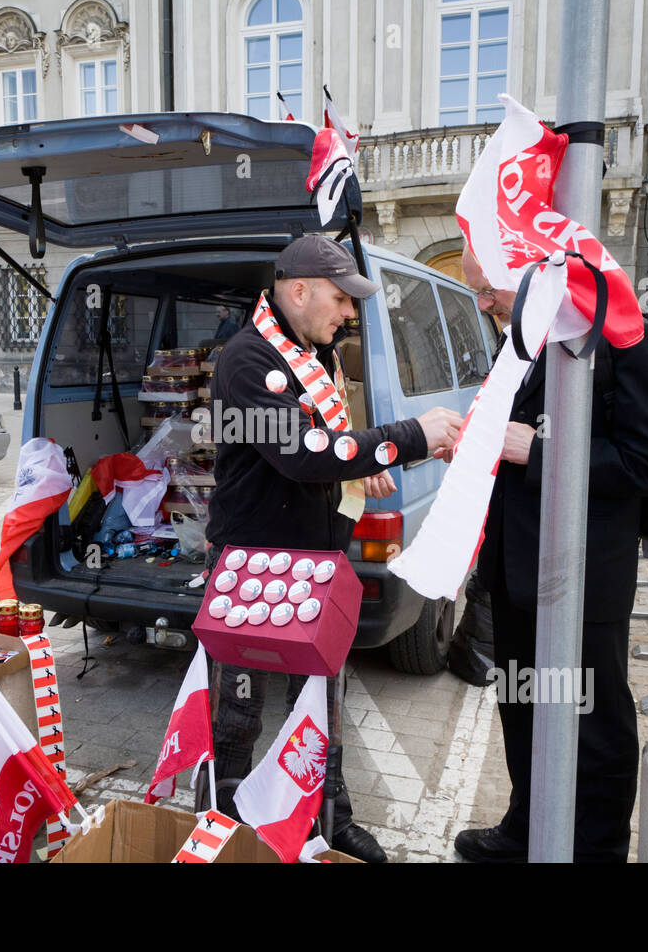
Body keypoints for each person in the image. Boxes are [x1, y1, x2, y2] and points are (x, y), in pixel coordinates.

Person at [204, 234, 463, 863]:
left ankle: (329, 816)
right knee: (239, 709)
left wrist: (354, 463)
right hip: (254, 568)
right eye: (341, 298)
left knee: (321, 698)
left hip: (315, 566)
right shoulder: (246, 360)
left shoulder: (312, 355)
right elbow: (300, 453)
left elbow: (327, 441)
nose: (349, 312)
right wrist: (409, 436)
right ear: (298, 291)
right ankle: (222, 815)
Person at [453, 244, 648, 863]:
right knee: (521, 706)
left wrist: (541, 453)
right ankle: (528, 827)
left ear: (530, 274)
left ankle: (597, 849)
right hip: (514, 569)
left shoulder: (624, 341)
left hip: (582, 576)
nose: (482, 304)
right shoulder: (524, 343)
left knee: (594, 725)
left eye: (486, 289)